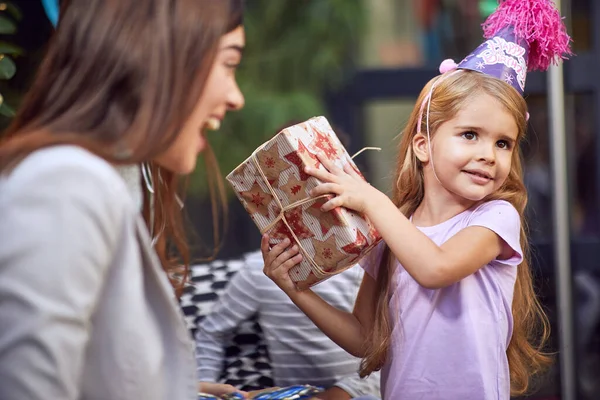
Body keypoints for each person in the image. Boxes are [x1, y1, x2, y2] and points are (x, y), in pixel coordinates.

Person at [261, 0, 572, 399]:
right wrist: (294, 289)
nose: (488, 154)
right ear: (423, 146)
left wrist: (373, 202)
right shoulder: (392, 230)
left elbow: (435, 268)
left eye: (503, 143)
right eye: (470, 134)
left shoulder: (496, 218)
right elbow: (363, 339)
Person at [0, 0, 246, 399]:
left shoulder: (95, 179)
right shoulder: (66, 184)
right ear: (160, 57)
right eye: (228, 63)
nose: (237, 97)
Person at [196, 251, 381, 399]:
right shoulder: (256, 269)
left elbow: (386, 347)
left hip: (359, 391)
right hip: (290, 394)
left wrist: (343, 392)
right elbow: (212, 334)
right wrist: (204, 391)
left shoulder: (363, 263)